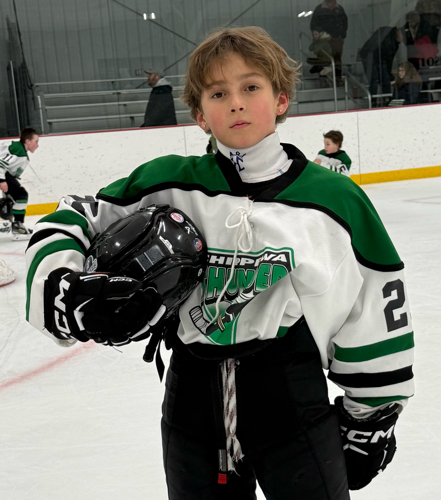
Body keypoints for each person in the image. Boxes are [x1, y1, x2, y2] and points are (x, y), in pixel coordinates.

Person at [26, 26, 414, 500]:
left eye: (251, 87)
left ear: (281, 99)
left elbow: (374, 304)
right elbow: (70, 218)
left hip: (291, 398)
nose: (235, 103)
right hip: (191, 400)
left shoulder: (335, 199)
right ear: (200, 115)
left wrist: (371, 414)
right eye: (218, 93)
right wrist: (64, 288)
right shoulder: (167, 183)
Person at [0, 127, 39, 240]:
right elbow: (1, 164)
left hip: (4, 173)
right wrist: (2, 180)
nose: (37, 145)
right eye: (35, 141)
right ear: (27, 141)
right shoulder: (19, 151)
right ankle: (17, 226)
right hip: (2, 173)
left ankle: (14, 224)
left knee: (14, 196)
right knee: (21, 195)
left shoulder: (17, 148)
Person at [359, 26, 403, 105]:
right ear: (399, 34)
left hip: (375, 57)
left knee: (381, 79)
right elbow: (388, 58)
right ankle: (376, 100)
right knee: (375, 79)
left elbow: (387, 59)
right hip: (372, 57)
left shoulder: (392, 39)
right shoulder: (391, 40)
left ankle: (382, 99)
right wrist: (388, 74)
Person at [310, 0, 348, 82]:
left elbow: (344, 23)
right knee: (323, 59)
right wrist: (317, 34)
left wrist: (342, 36)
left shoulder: (339, 8)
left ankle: (338, 79)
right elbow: (314, 24)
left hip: (337, 39)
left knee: (337, 59)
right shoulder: (319, 9)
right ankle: (323, 79)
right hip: (323, 39)